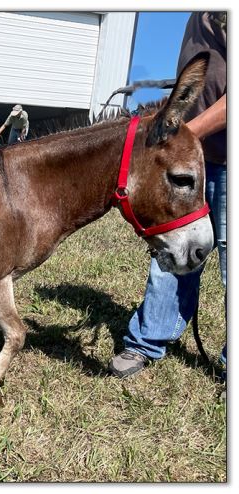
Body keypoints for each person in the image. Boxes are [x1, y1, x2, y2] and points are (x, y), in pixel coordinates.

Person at [109, 12, 227, 378]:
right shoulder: (201, 15)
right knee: (172, 242)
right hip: (194, 157)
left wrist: (184, 135)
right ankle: (148, 340)